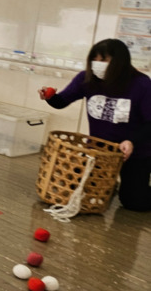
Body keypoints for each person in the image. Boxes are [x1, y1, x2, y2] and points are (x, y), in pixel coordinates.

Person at [41, 38, 151, 211]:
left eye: (103, 60)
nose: (97, 64)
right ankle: (110, 185)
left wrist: (131, 142)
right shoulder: (87, 79)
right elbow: (62, 101)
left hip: (135, 153)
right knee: (75, 190)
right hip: (99, 150)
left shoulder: (142, 84)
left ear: (119, 61)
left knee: (134, 202)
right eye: (95, 59)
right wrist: (50, 97)